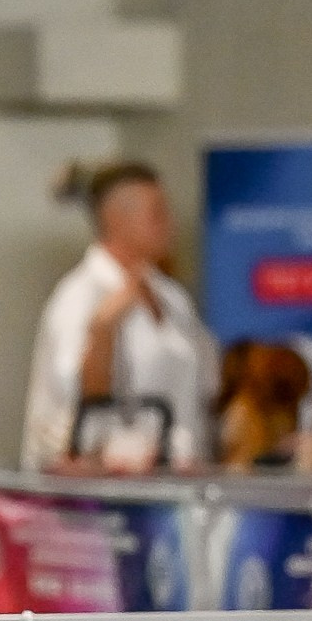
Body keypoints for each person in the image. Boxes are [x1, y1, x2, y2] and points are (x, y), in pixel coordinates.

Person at [22, 162, 216, 472]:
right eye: (157, 213)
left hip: (178, 476)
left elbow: (205, 385)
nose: (169, 224)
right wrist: (103, 330)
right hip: (100, 487)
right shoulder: (79, 296)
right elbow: (80, 398)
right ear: (116, 220)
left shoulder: (172, 297)